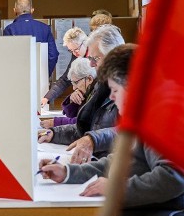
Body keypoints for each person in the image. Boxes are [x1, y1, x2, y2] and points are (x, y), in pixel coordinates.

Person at [39, 44, 184, 216]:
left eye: (115, 90)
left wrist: (115, 188)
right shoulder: (151, 111)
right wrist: (68, 172)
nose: (111, 97)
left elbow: (175, 177)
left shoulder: (169, 113)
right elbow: (121, 163)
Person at [38, 24, 125, 163]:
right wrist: (54, 133)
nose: (90, 64)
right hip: (100, 163)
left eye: (95, 59)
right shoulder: (100, 85)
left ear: (113, 55)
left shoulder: (131, 89)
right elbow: (84, 126)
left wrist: (93, 140)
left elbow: (130, 135)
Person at [3, 0, 58, 76]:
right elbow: (53, 55)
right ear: (32, 10)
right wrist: (45, 75)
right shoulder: (45, 28)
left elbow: (7, 57)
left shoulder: (9, 29)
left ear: (14, 10)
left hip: (17, 77)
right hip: (40, 76)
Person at [40, 57, 96, 128]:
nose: (74, 88)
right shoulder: (87, 91)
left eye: (76, 82)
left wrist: (55, 122)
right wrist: (72, 102)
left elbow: (84, 122)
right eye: (72, 83)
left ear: (89, 79)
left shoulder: (98, 94)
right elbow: (72, 117)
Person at [41, 27, 89, 107]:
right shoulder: (77, 55)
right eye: (71, 50)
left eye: (76, 49)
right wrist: (47, 98)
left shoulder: (96, 54)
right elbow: (66, 79)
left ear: (85, 42)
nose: (74, 53)